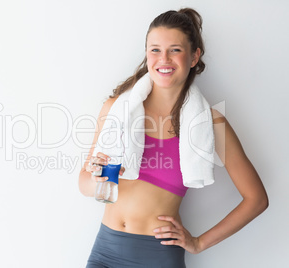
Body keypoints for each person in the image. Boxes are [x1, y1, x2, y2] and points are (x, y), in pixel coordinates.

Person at [78, 8, 269, 268]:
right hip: (105, 252)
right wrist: (96, 177)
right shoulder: (116, 110)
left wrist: (199, 243)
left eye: (175, 50)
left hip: (157, 258)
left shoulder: (210, 123)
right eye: (155, 49)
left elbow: (256, 199)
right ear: (147, 54)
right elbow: (84, 185)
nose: (163, 59)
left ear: (194, 56)